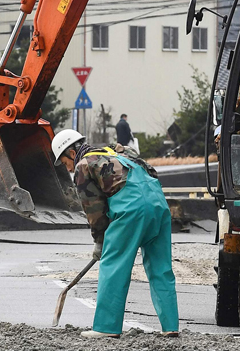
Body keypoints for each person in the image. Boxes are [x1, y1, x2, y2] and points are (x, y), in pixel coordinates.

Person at [52, 129, 179, 338]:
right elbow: (151, 173)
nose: (67, 168)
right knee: (161, 268)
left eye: (65, 163)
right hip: (159, 206)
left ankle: (106, 327)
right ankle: (171, 326)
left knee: (114, 265)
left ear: (72, 153)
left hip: (131, 209)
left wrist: (99, 241)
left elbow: (94, 209)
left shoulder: (84, 165)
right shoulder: (121, 151)